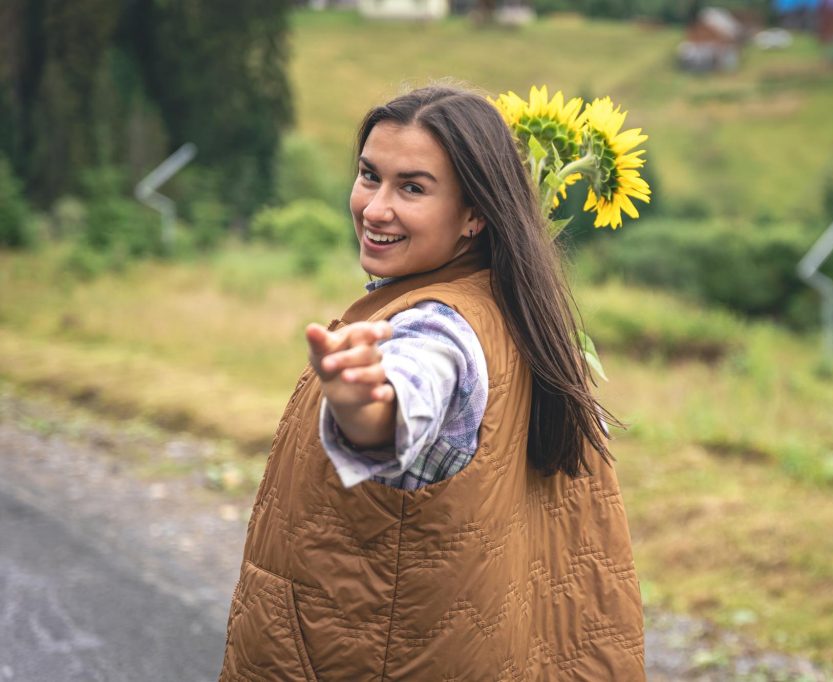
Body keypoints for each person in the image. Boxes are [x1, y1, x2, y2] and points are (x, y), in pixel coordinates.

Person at [219, 85, 645, 680]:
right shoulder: (521, 306)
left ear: (475, 215)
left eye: (412, 188)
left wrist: (368, 407)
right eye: (370, 176)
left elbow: (416, 384)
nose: (374, 208)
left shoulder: (437, 325)